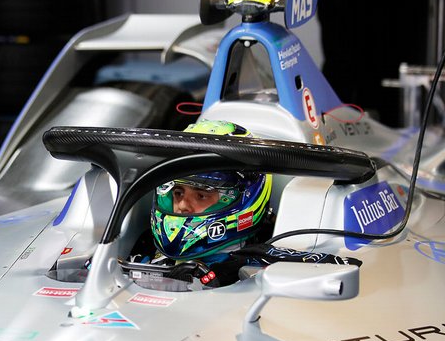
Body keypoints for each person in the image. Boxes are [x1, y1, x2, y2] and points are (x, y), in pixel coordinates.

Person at [126, 119, 359, 289]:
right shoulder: (144, 250)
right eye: (178, 192)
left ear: (246, 198)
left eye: (201, 195)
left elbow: (346, 269)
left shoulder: (264, 261)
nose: (183, 206)